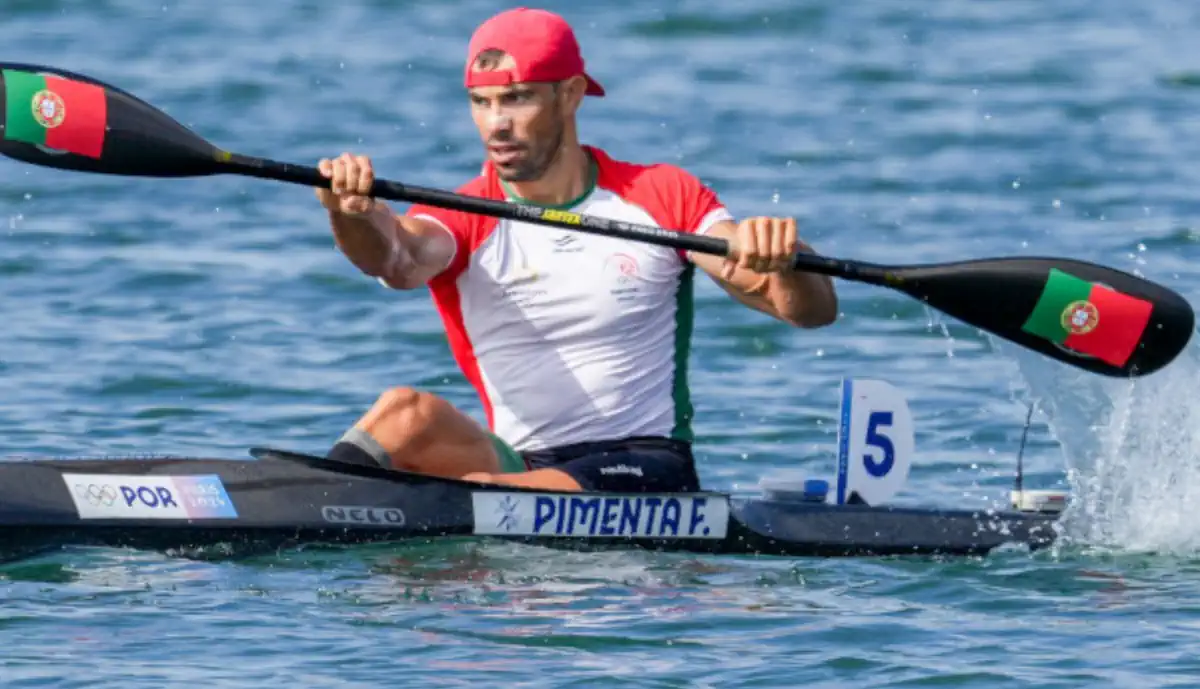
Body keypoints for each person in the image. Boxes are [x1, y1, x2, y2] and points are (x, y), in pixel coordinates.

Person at [313, 7, 838, 493]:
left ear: (570, 94)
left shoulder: (660, 195)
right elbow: (394, 259)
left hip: (645, 463)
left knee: (490, 495)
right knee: (405, 411)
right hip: (521, 463)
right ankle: (307, 503)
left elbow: (804, 310)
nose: (496, 123)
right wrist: (352, 213)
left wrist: (787, 259)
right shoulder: (464, 214)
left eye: (517, 98)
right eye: (482, 102)